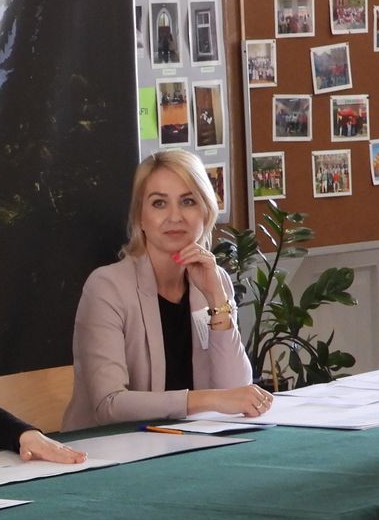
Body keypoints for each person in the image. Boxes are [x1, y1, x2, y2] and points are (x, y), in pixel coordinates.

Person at [63, 149, 271, 431]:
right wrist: (207, 399)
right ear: (140, 217)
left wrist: (217, 299)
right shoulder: (106, 287)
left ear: (206, 212)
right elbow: (109, 405)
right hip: (109, 447)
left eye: (188, 201)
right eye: (159, 203)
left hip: (187, 441)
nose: (175, 216)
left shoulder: (215, 280)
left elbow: (236, 390)